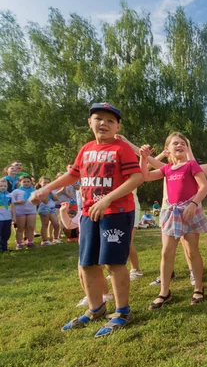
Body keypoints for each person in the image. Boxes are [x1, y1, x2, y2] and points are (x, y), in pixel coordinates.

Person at [31, 102, 143, 338]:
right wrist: (45, 190)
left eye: (110, 121)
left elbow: (136, 178)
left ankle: (123, 312)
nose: (104, 123)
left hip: (116, 213)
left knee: (113, 264)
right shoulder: (86, 149)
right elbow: (73, 174)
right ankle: (96, 309)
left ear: (117, 126)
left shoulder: (121, 148)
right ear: (89, 122)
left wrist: (106, 200)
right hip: (88, 213)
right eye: (98, 118)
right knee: (87, 263)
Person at [139, 132, 207, 309]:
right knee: (166, 252)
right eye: (175, 143)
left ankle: (199, 288)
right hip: (172, 213)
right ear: (168, 149)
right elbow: (146, 176)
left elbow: (204, 187)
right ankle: (164, 292)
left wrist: (193, 204)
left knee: (192, 252)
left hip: (189, 212)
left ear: (186, 148)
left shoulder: (191, 165)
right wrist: (144, 159)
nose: (179, 145)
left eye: (183, 144)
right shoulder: (167, 169)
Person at [11, 175, 37, 250]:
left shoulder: (34, 191)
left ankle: (30, 242)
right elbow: (11, 202)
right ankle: (19, 243)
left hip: (31, 211)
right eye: (24, 182)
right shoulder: (16, 191)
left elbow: (38, 201)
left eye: (28, 182)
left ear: (31, 182)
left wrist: (36, 201)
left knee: (31, 227)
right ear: (20, 182)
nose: (26, 183)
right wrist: (19, 202)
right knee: (20, 228)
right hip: (20, 212)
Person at [36, 176, 60, 246]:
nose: (46, 184)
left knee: (56, 224)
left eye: (48, 182)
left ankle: (55, 238)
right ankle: (44, 240)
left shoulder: (52, 190)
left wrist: (51, 192)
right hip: (44, 208)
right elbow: (45, 201)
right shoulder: (39, 191)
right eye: (44, 182)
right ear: (40, 183)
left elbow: (56, 199)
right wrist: (46, 192)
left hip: (52, 208)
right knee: (45, 224)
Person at [0, 178, 12, 252]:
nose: (3, 187)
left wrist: (13, 216)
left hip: (8, 217)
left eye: (5, 186)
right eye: (1, 186)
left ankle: (4, 247)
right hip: (0, 218)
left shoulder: (9, 195)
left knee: (6, 233)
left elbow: (12, 206)